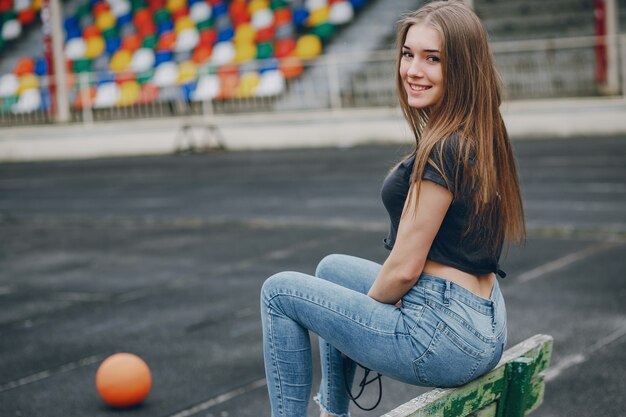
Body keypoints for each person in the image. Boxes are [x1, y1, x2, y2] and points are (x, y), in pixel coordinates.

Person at [260, 1, 526, 416]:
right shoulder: (479, 131)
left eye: (432, 59)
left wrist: (364, 314)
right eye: (408, 54)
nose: (413, 70)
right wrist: (355, 315)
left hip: (443, 337)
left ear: (463, 69)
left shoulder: (443, 151)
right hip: (483, 322)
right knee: (331, 269)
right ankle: (334, 412)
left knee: (278, 291)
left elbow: (404, 268)